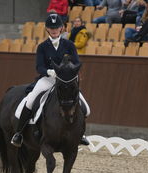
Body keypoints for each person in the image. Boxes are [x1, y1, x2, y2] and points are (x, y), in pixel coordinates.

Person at [11, 13, 90, 147]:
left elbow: (76, 63)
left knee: (86, 108)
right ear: (47, 29)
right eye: (51, 27)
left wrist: (67, 70)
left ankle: (80, 133)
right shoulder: (42, 46)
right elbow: (39, 66)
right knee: (30, 100)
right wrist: (49, 71)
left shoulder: (69, 45)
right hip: (48, 79)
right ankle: (19, 133)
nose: (54, 30)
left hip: (65, 81)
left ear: (61, 28)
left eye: (56, 27)